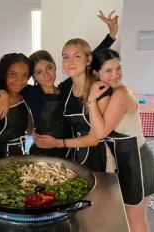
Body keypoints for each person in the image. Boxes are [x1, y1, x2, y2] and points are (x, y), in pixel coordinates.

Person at [0, 10, 119, 159]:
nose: (45, 75)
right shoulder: (29, 92)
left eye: (49, 68)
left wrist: (111, 35)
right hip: (41, 150)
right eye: (38, 72)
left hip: (67, 150)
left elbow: (87, 58)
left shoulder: (65, 88)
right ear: (33, 77)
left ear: (55, 67)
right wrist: (2, 93)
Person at [87, 48, 154, 232]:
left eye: (118, 68)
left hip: (138, 162)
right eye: (108, 70)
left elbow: (101, 132)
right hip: (126, 161)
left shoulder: (121, 93)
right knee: (128, 220)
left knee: (135, 221)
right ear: (96, 73)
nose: (116, 75)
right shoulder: (108, 93)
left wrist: (90, 101)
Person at [33, 38, 114, 172]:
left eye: (77, 56)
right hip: (72, 156)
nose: (70, 62)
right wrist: (37, 130)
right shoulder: (66, 88)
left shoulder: (100, 88)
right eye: (66, 57)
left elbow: (95, 138)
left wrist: (56, 143)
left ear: (88, 60)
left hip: (97, 157)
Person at [0, 53, 34, 159]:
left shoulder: (25, 96)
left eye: (24, 75)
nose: (19, 80)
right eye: (13, 74)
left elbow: (29, 128)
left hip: (20, 158)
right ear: (4, 74)